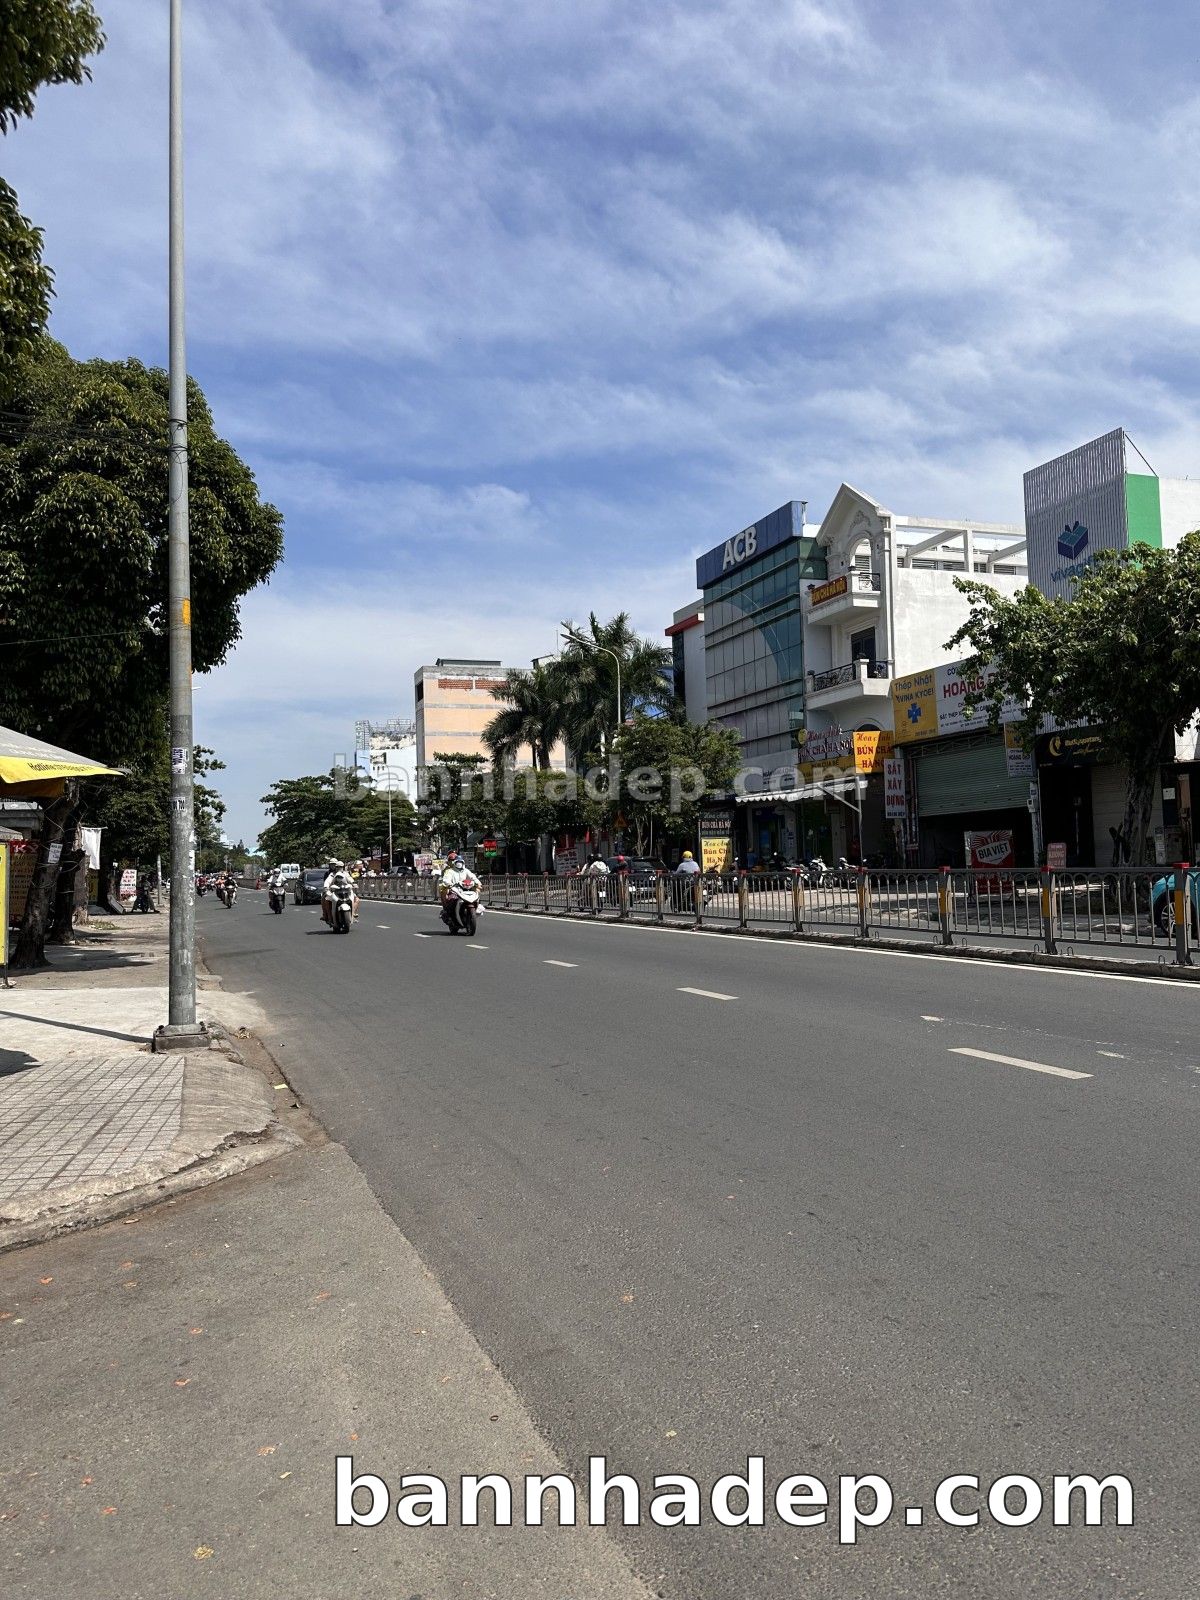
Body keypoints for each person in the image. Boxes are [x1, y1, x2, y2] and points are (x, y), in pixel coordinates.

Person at [322, 859, 357, 926]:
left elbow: (350, 879)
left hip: (345, 891)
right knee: (326, 900)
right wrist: (326, 887)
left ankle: (353, 914)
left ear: (343, 867)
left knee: (357, 899)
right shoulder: (332, 874)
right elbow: (327, 881)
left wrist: (353, 883)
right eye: (337, 867)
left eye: (340, 867)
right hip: (335, 892)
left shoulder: (346, 873)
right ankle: (329, 917)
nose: (339, 868)